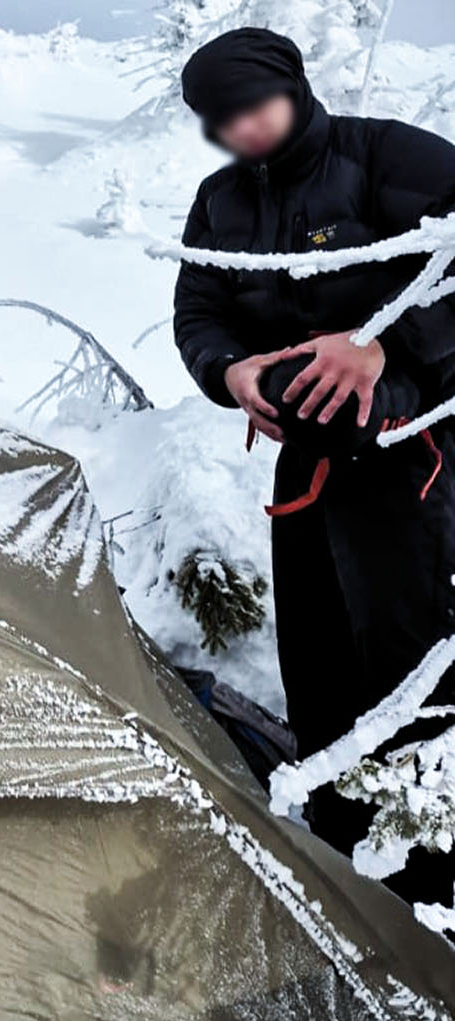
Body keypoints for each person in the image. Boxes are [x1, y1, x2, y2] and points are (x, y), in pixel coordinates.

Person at [173, 27, 455, 905]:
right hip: (309, 463)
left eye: (252, 106)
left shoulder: (387, 157)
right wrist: (232, 371)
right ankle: (339, 840)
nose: (241, 130)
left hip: (419, 454)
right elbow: (198, 309)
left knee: (414, 655)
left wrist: (382, 345)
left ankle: (432, 854)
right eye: (221, 119)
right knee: (319, 646)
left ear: (292, 87)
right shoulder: (219, 203)